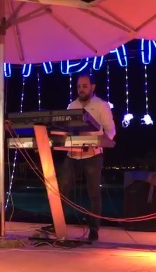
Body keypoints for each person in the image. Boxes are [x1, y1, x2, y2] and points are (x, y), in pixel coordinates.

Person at [52, 73, 116, 241]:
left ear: (93, 87)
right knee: (63, 188)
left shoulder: (102, 105)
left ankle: (94, 229)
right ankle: (58, 225)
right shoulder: (71, 106)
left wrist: (102, 141)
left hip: (93, 154)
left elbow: (110, 130)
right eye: (79, 86)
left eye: (85, 86)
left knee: (93, 192)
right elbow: (65, 128)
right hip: (72, 153)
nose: (81, 89)